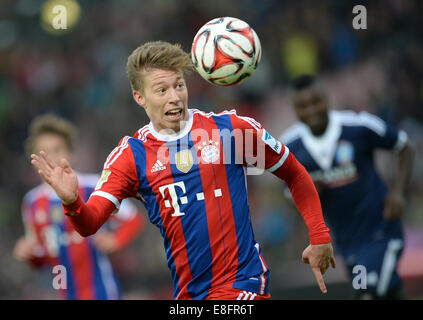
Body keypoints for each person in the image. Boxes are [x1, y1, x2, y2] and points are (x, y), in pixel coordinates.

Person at [30, 41, 336, 300]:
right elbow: (89, 223)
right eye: (161, 90)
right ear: (140, 97)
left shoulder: (231, 131)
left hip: (243, 285)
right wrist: (72, 201)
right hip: (189, 295)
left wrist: (319, 235)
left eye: (179, 85)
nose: (175, 97)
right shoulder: (130, 157)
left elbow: (294, 173)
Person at [279, 74, 414, 299]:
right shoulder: (289, 147)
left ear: (326, 99)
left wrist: (399, 193)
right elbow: (288, 194)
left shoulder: (358, 125)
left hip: (380, 229)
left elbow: (404, 147)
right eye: (303, 106)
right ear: (295, 110)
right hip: (347, 242)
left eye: (316, 102)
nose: (311, 110)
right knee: (386, 292)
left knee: (366, 291)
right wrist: (307, 193)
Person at [14, 114, 145, 300]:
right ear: (34, 161)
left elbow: (133, 218)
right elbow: (43, 259)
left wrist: (116, 240)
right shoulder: (32, 202)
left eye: (57, 150)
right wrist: (29, 254)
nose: (51, 158)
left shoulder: (93, 186)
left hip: (103, 293)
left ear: (71, 154)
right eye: (43, 152)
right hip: (65, 295)